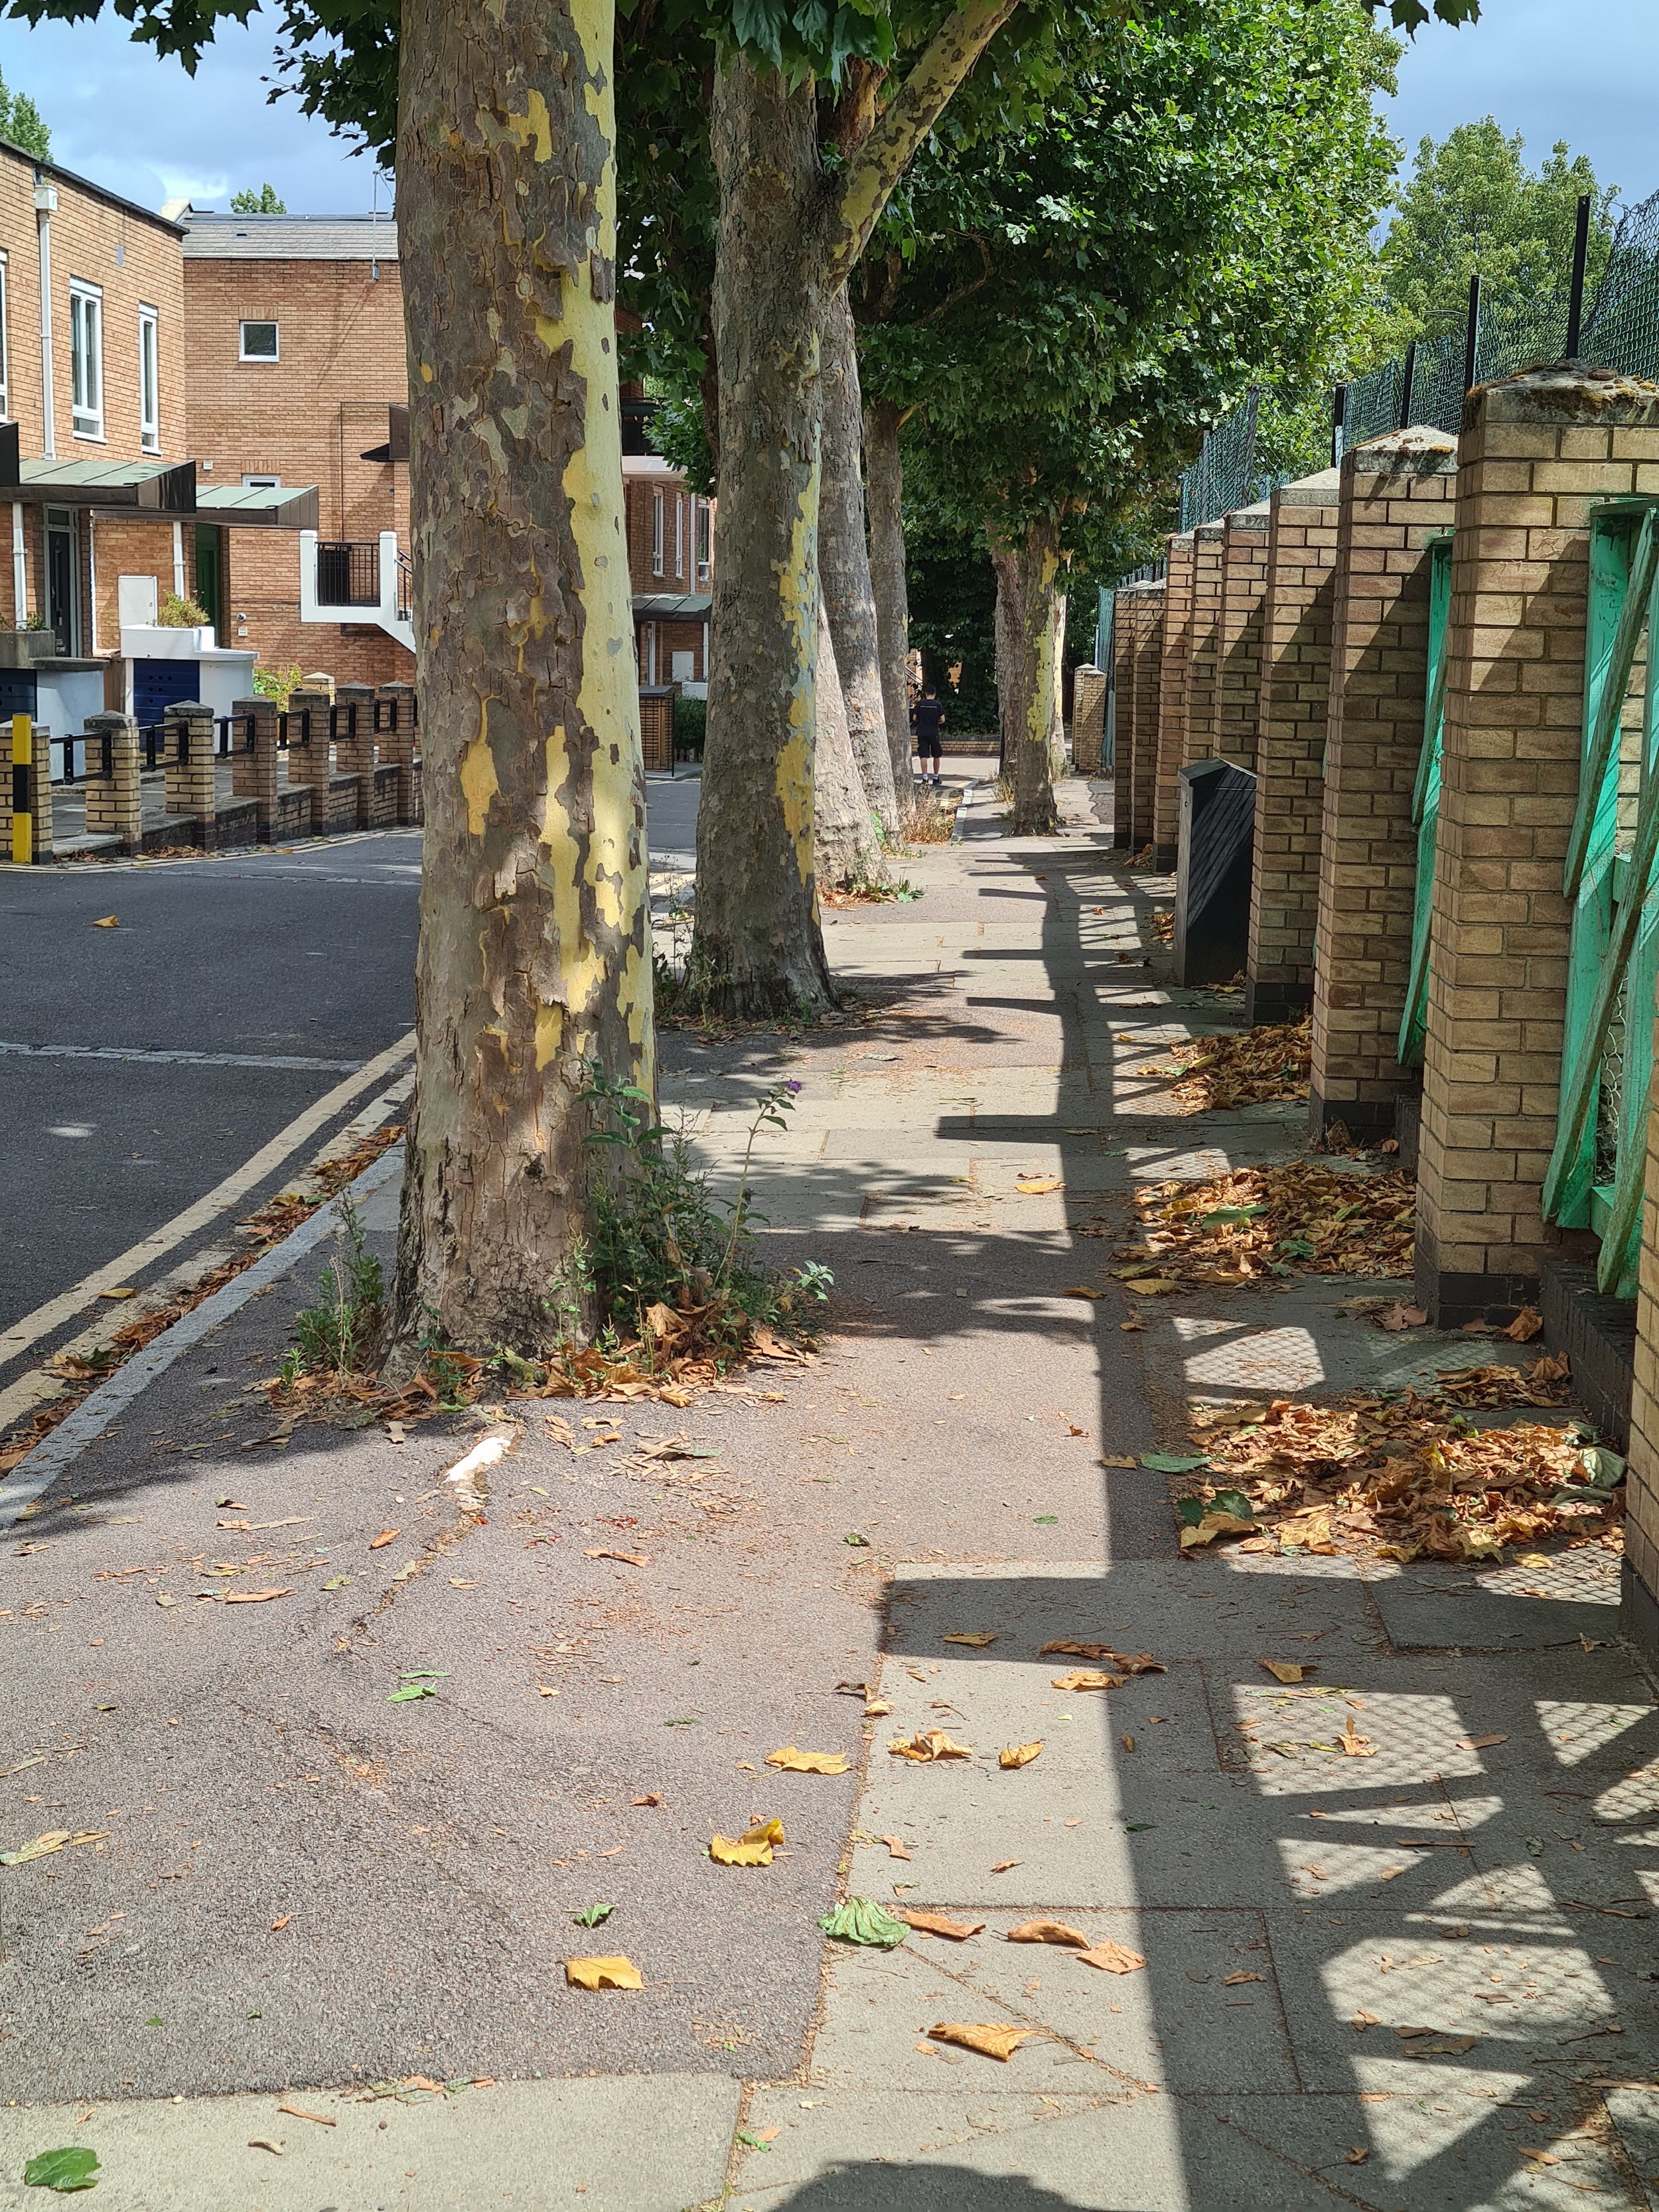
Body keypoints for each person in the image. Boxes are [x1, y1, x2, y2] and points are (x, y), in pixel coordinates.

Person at [911, 685, 945, 787]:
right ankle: (935, 777)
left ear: (925, 694)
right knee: (936, 755)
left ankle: (925, 778)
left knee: (923, 756)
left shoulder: (920, 704)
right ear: (934, 694)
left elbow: (914, 718)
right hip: (933, 732)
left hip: (922, 732)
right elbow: (942, 720)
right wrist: (936, 722)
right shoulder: (937, 705)